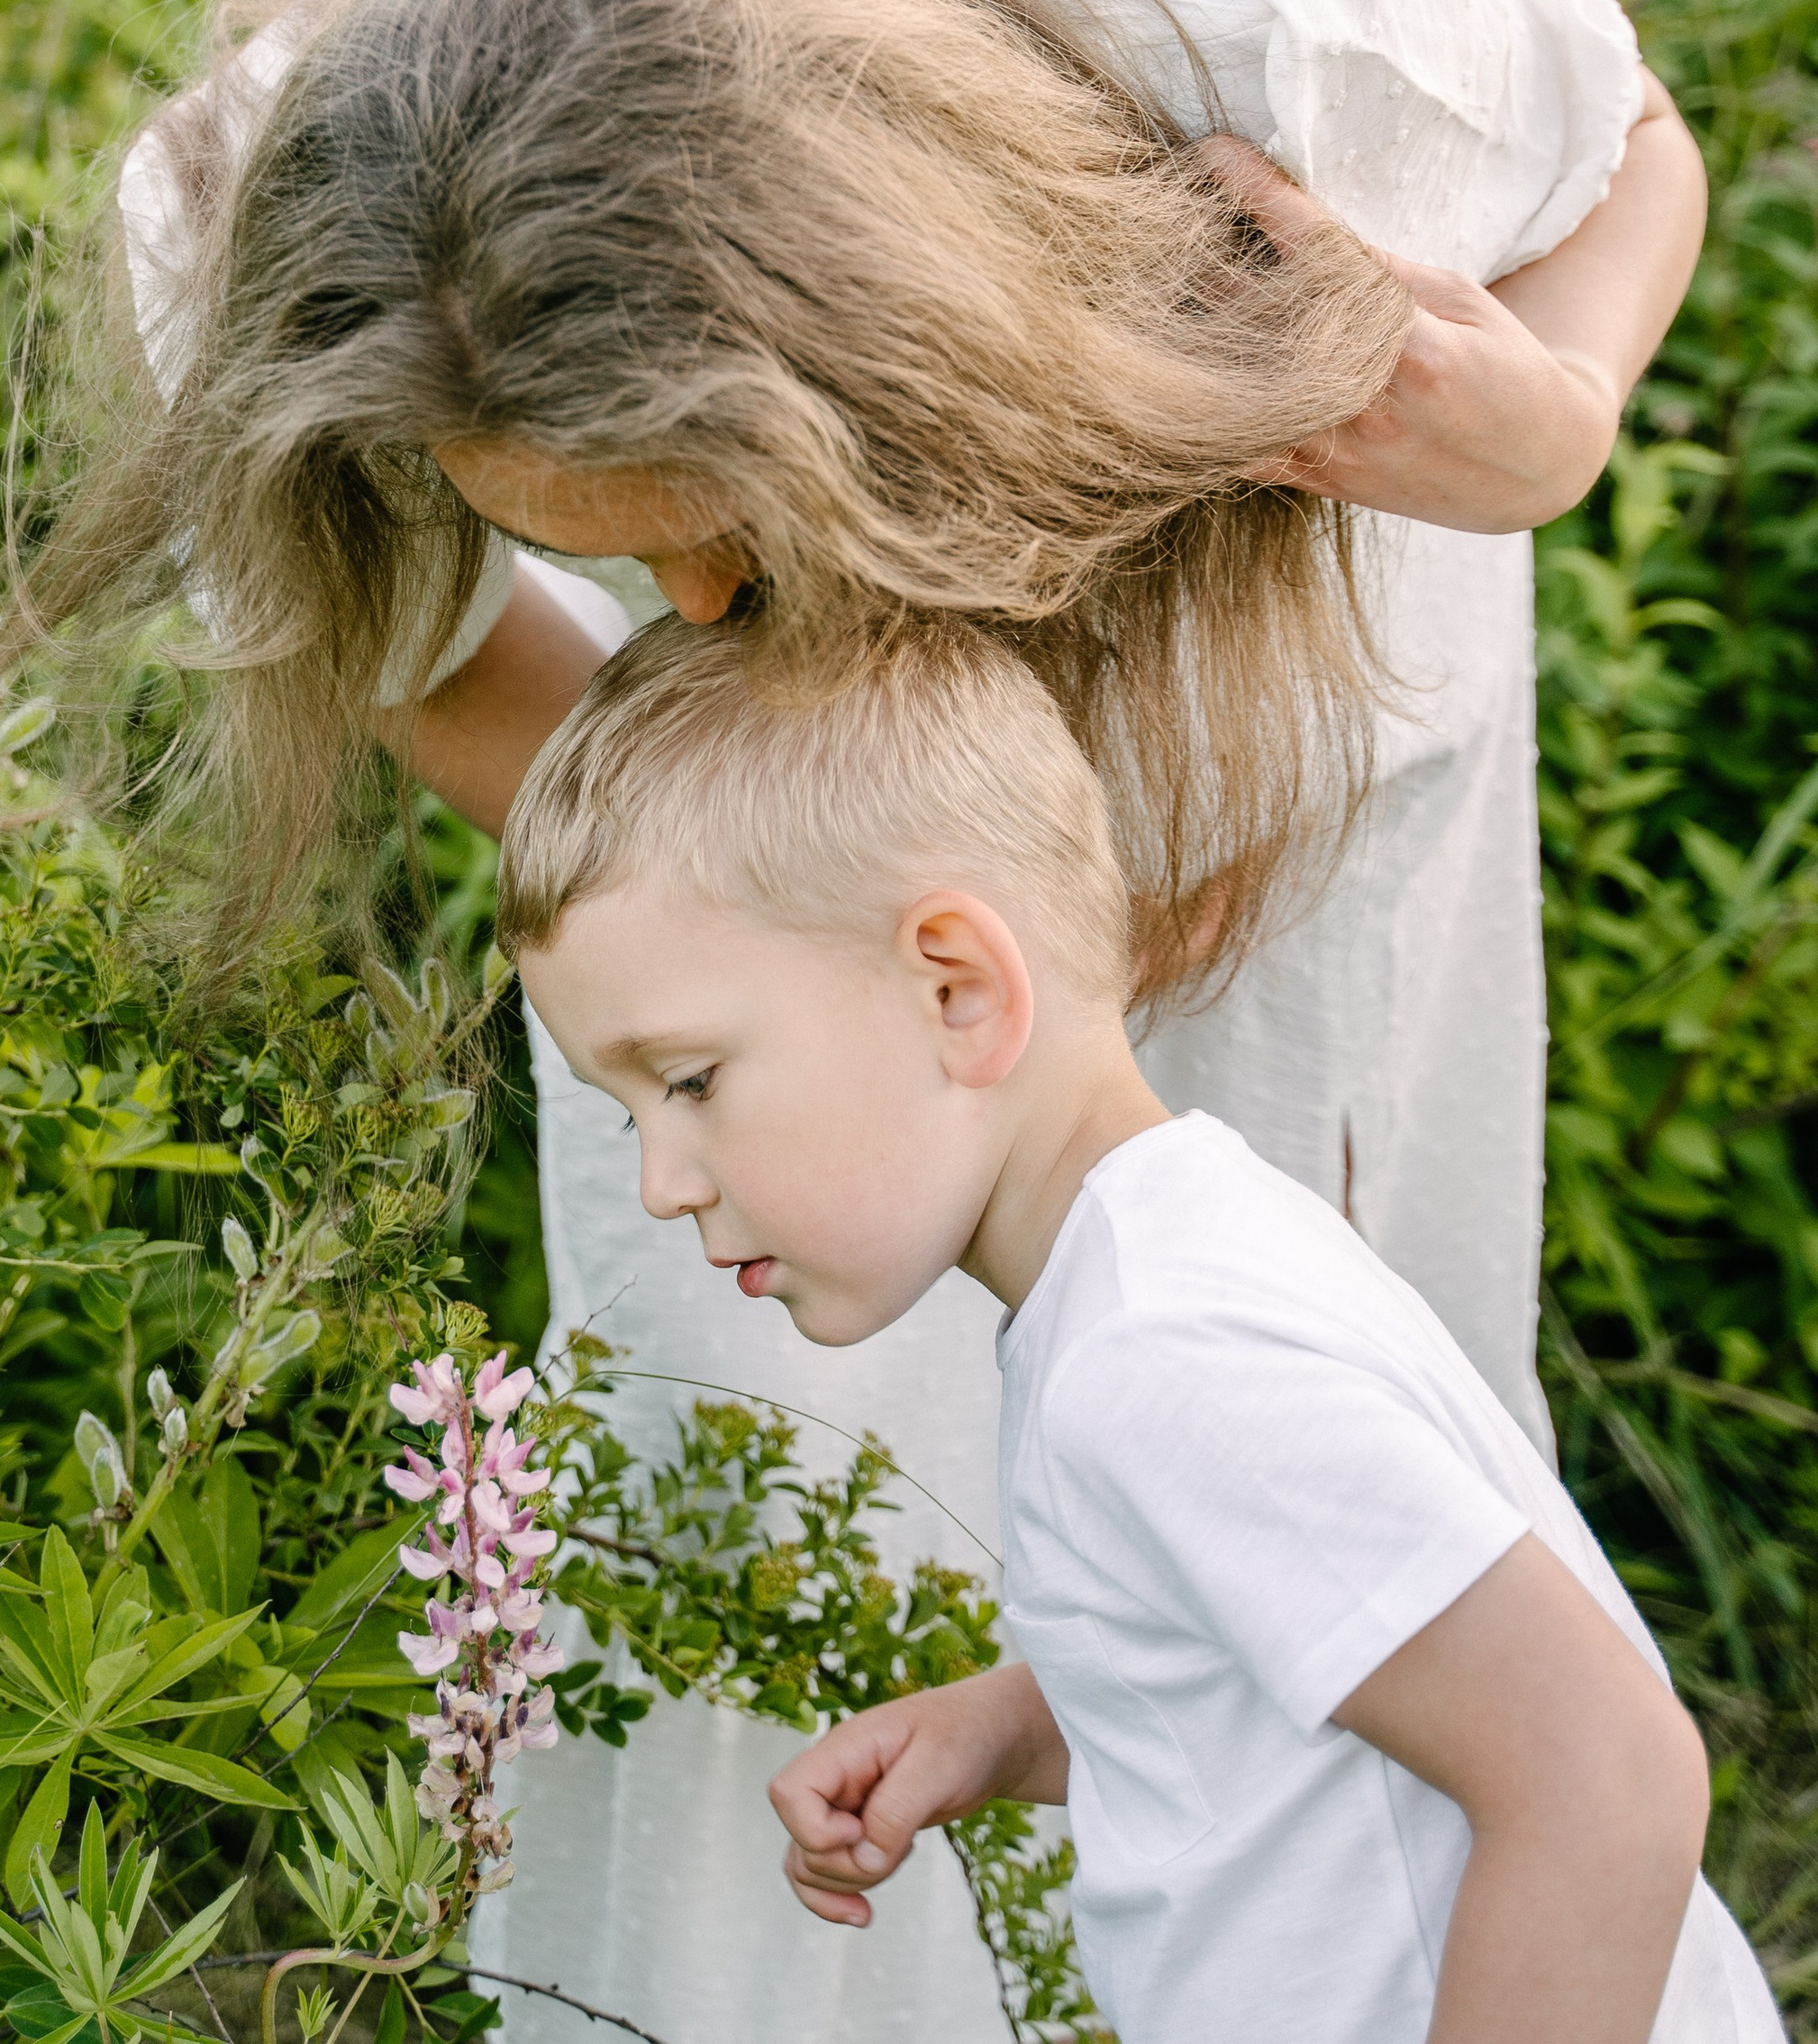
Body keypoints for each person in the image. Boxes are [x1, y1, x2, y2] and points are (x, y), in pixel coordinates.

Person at [0, 0, 1705, 2042]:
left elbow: (1622, 135)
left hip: (1301, 640)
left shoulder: (1242, 2)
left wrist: (1552, 414)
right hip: (795, 898)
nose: (693, 611)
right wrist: (783, 940)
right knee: (815, 1492)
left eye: (721, 522)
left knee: (1312, 1489)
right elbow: (460, 681)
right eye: (612, 557)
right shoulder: (256, 221)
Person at [499, 613, 1784, 2044]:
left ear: (956, 989)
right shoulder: (1162, 1268)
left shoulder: (1168, 1356)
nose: (663, 1183)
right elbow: (1281, 1665)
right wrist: (1010, 1725)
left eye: (687, 1081)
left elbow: (1605, 1778)